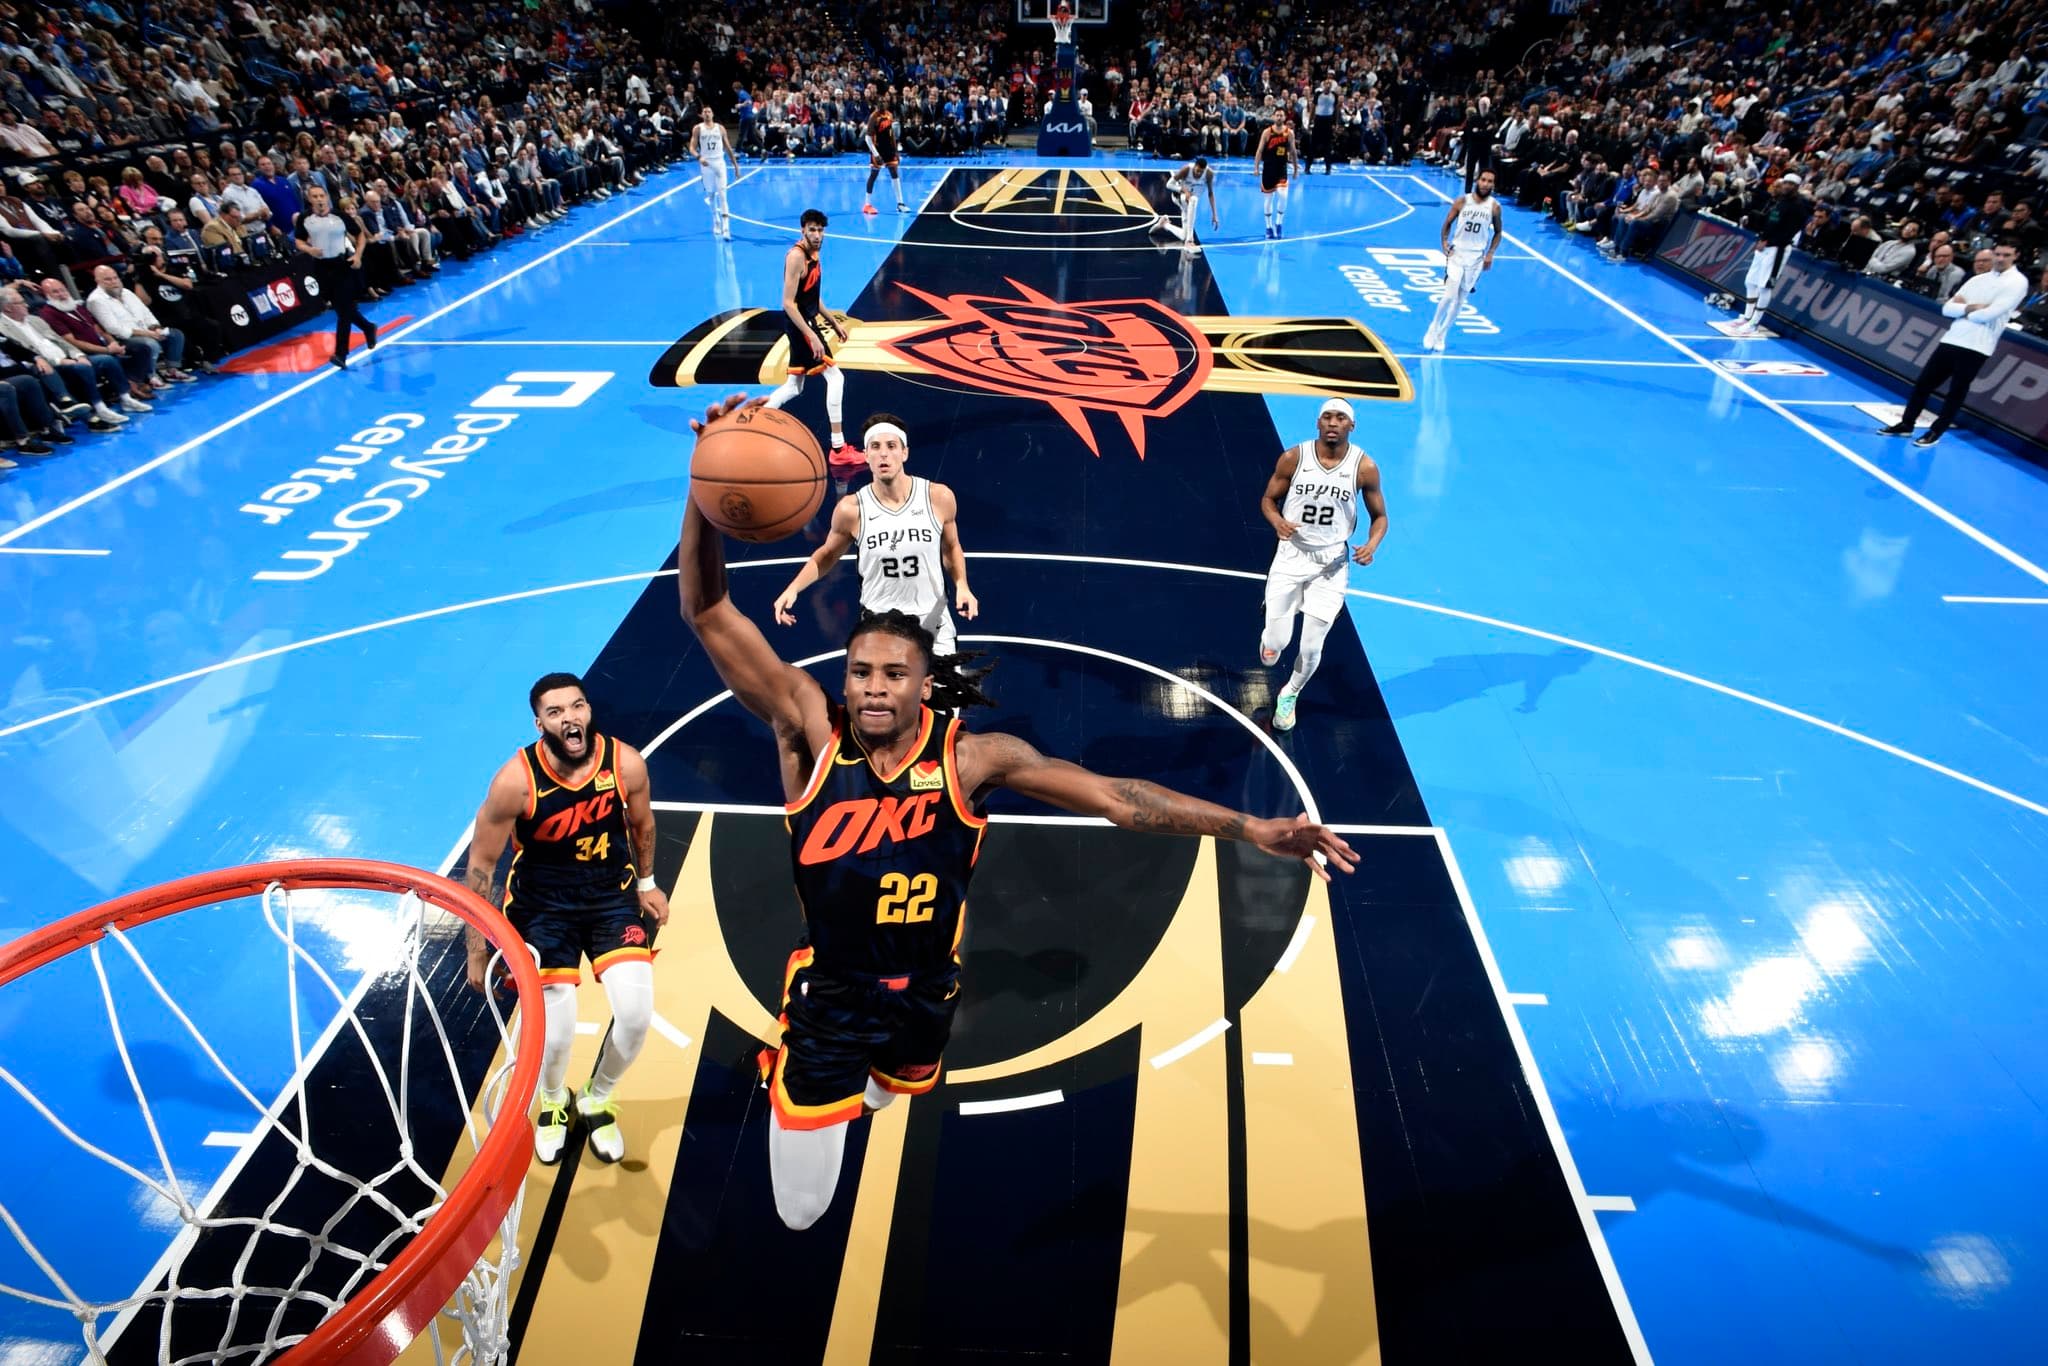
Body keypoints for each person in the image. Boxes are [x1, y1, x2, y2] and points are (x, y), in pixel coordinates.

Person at [676, 394, 1358, 1230]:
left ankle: (853, 1075)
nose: (874, 688)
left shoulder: (972, 758)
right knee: (801, 1212)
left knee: (891, 1095)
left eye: (894, 673)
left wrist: (1249, 826)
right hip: (831, 995)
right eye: (860, 673)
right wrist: (704, 491)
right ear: (843, 678)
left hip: (929, 988)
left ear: (928, 682)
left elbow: (1119, 798)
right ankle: (791, 1060)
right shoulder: (811, 734)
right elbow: (709, 613)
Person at [463, 673, 669, 1165]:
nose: (570, 718)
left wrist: (647, 882)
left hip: (611, 899)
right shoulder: (515, 781)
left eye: (577, 707)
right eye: (556, 712)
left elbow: (643, 824)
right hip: (542, 909)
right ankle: (554, 1101)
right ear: (540, 723)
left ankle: (598, 1097)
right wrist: (476, 950)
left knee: (637, 1016)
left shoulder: (625, 762)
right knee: (554, 1033)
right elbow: (481, 866)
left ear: (588, 710)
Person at [772, 413, 978, 654]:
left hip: (934, 623)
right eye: (875, 447)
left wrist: (962, 585)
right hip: (879, 627)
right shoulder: (851, 510)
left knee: (946, 692)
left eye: (891, 446)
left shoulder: (938, 497)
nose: (883, 454)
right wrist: (793, 588)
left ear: (905, 453)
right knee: (884, 693)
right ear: (866, 455)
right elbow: (827, 555)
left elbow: (951, 547)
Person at [1257, 399, 1388, 732]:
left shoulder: (1364, 467)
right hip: (1291, 554)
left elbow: (1380, 517)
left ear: (1351, 426)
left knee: (1312, 645)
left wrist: (1372, 545)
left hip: (1332, 562)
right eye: (1327, 417)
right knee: (1276, 644)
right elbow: (1268, 499)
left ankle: (1290, 694)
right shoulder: (1294, 458)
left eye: (1340, 418)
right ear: (1317, 423)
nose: (1333, 422)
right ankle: (1271, 629)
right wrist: (1276, 521)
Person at [1880, 238, 2029, 447]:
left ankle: (1936, 432)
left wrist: (1967, 308)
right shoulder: (1977, 280)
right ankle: (1906, 424)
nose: (2001, 259)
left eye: (2006, 255)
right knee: (1923, 384)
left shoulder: (2018, 282)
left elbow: (1986, 316)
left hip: (1978, 345)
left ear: (2016, 257)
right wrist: (1973, 307)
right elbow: (1947, 309)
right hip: (1952, 338)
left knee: (1956, 392)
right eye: (1998, 254)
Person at [764, 208, 856, 468]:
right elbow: (788, 303)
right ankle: (838, 447)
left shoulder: (815, 254)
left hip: (808, 323)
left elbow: (813, 297)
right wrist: (812, 336)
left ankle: (758, 418)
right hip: (800, 326)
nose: (817, 235)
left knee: (795, 386)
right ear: (802, 230)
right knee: (836, 377)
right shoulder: (796, 257)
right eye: (812, 230)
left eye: (820, 230)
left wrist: (832, 322)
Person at [293, 186, 378, 369]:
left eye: (322, 195)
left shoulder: (340, 216)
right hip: (321, 267)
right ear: (309, 199)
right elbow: (298, 241)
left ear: (327, 197)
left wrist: (357, 255)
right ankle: (368, 327)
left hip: (341, 265)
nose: (319, 199)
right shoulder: (304, 219)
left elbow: (359, 234)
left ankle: (341, 354)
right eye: (315, 196)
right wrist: (309, 249)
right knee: (342, 309)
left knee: (344, 312)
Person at [1422, 167, 1501, 352]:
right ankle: (1433, 327)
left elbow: (1498, 232)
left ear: (1493, 185)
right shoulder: (1462, 201)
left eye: (1490, 181)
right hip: (1457, 254)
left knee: (1460, 299)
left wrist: (1491, 253)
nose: (1486, 184)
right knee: (1449, 295)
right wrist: (1443, 242)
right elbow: (1447, 223)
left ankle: (1443, 334)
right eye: (1483, 180)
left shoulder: (1495, 206)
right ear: (1477, 180)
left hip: (1476, 258)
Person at [1733, 174, 1807, 335]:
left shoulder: (1798, 207)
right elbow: (1771, 222)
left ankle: (1754, 323)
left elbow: (1789, 231)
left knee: (1764, 286)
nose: (1786, 186)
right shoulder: (1781, 202)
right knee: (1750, 282)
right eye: (1785, 182)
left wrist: (1768, 241)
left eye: (1790, 184)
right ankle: (1747, 316)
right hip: (1764, 245)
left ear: (1796, 187)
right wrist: (1761, 235)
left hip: (1777, 249)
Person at [693, 104, 738, 241]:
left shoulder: (720, 128)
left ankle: (726, 228)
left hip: (719, 163)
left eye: (709, 111)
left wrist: (735, 165)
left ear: (712, 114)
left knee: (723, 194)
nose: (707, 113)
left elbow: (728, 147)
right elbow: (692, 147)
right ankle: (716, 220)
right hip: (706, 165)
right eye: (705, 111)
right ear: (702, 114)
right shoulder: (698, 129)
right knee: (711, 194)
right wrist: (699, 157)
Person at [1162, 155, 1218, 253]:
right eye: (1197, 170)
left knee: (1183, 235)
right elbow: (1168, 185)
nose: (1199, 173)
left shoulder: (1209, 174)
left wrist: (1214, 215)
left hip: (1189, 203)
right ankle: (1189, 241)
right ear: (1195, 166)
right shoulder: (1186, 169)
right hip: (1178, 197)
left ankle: (1165, 224)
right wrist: (1184, 190)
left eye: (1201, 171)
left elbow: (1210, 193)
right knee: (1193, 199)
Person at [1256, 115, 1299, 240]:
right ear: (1274, 117)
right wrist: (1256, 167)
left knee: (1283, 195)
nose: (1280, 117)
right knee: (1268, 199)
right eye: (1278, 115)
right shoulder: (1267, 132)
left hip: (1281, 169)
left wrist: (1296, 169)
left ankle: (1279, 223)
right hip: (1268, 169)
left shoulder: (1289, 133)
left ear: (1284, 118)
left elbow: (1293, 151)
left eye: (1282, 115)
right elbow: (1259, 150)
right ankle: (1268, 227)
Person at [862, 105, 907, 215]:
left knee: (894, 173)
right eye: (881, 101)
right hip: (877, 149)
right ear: (877, 104)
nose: (883, 103)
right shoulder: (873, 117)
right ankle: (867, 204)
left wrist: (895, 150)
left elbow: (891, 135)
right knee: (873, 175)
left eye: (885, 101)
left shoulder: (889, 115)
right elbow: (867, 138)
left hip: (889, 149)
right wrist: (876, 154)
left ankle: (900, 203)